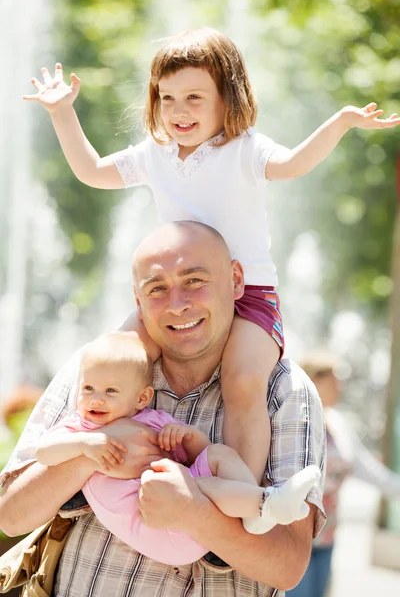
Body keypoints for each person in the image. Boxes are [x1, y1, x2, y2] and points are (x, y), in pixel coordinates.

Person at [22, 28, 400, 489]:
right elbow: (92, 171)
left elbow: (294, 165)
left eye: (195, 97)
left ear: (228, 97)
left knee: (242, 381)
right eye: (168, 98)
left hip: (250, 295)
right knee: (112, 359)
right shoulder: (155, 154)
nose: (179, 111)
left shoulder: (244, 150)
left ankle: (244, 493)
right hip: (174, 293)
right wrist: (62, 112)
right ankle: (93, 460)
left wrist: (341, 122)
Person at [0, 221, 326, 596]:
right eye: (157, 288)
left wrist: (194, 512)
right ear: (137, 300)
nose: (177, 304)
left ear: (236, 280)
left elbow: (287, 566)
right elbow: (12, 516)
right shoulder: (96, 370)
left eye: (194, 280)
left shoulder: (284, 390)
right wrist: (98, 450)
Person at [36, 330, 320, 565]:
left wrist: (186, 436)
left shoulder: (151, 421)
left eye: (111, 391)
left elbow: (193, 456)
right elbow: (44, 451)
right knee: (202, 486)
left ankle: (260, 506)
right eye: (88, 389)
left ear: (141, 398)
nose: (96, 400)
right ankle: (265, 503)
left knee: (218, 457)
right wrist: (85, 444)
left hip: (184, 519)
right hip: (156, 528)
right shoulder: (79, 427)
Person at [287, 351, 400, 597]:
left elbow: (368, 470)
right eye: (335, 378)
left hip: (326, 538)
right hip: (292, 539)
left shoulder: (339, 423)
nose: (341, 386)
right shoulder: (290, 419)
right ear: (313, 379)